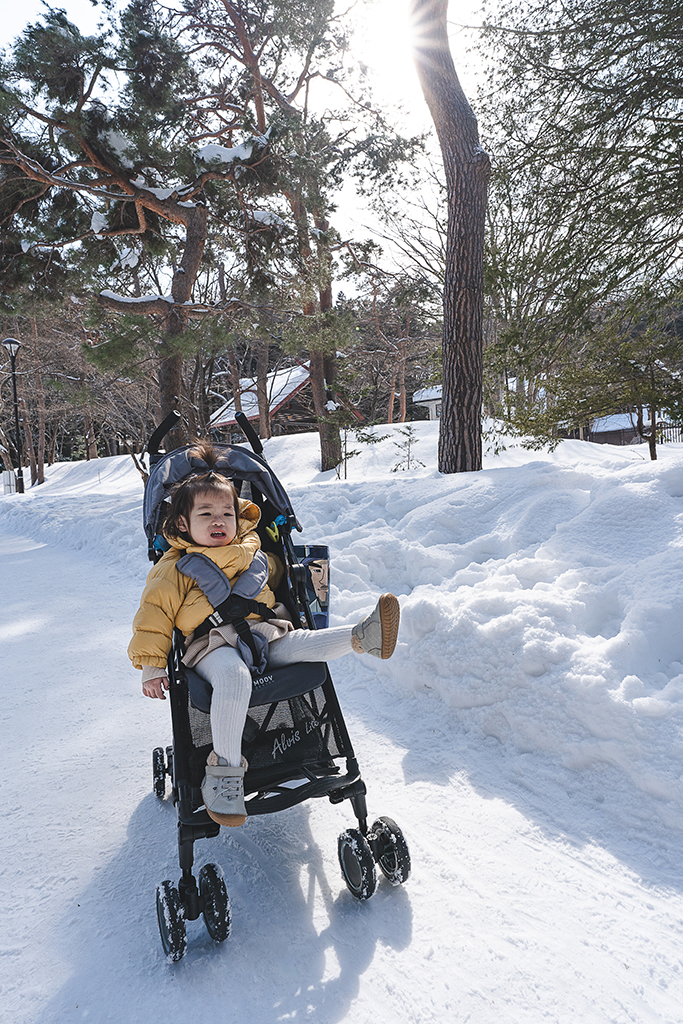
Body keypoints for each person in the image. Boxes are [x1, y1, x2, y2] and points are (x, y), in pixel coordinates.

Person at [129, 441, 400, 829]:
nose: (218, 520)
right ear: (183, 523)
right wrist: (152, 666)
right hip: (212, 647)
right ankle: (224, 774)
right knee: (235, 678)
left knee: (303, 645)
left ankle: (363, 635)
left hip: (262, 633)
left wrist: (295, 573)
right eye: (206, 513)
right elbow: (153, 617)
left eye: (226, 512)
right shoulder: (173, 568)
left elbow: (283, 580)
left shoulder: (254, 553)